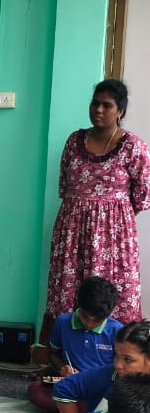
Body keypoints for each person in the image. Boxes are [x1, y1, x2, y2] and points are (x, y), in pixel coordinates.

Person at [40, 79, 150, 345]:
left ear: (120, 111)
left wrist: (111, 220)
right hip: (71, 233)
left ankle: (119, 354)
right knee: (68, 291)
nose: (99, 110)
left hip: (114, 239)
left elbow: (142, 195)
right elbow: (64, 186)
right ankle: (64, 353)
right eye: (95, 103)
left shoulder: (133, 146)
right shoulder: (74, 141)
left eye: (107, 105)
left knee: (110, 291)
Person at [28, 278, 121, 413]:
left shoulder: (117, 330)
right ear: (79, 305)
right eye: (85, 317)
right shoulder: (63, 322)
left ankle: (71, 407)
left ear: (109, 314)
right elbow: (52, 353)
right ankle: (92, 409)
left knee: (116, 397)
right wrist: (63, 368)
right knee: (35, 391)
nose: (89, 324)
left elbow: (120, 368)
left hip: (101, 389)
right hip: (73, 384)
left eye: (97, 320)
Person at [54, 320, 150, 413]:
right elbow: (64, 387)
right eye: (116, 355)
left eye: (127, 359)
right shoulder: (108, 374)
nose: (118, 364)